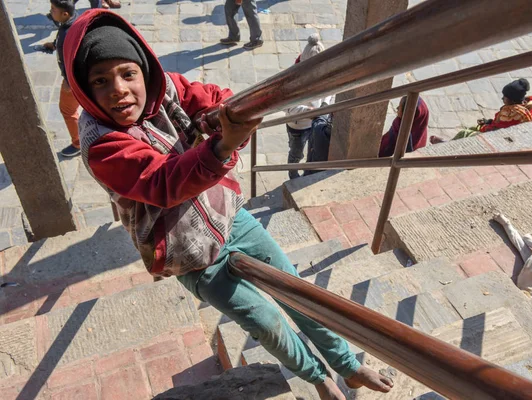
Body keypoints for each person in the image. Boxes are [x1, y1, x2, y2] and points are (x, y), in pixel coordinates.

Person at [64, 10, 393, 399]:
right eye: (100, 81)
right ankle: (316, 375)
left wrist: (220, 116)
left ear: (144, 71)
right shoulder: (101, 143)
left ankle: (348, 365)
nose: (118, 89)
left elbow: (215, 98)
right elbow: (163, 183)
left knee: (298, 291)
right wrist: (221, 144)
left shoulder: (164, 87)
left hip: (229, 217)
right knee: (265, 321)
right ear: (84, 90)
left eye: (127, 74)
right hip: (188, 254)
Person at [430, 78, 532, 144]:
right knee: (473, 128)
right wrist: (488, 122)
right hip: (499, 129)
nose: (503, 99)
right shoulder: (527, 105)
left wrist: (485, 126)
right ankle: (452, 141)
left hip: (501, 139)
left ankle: (448, 144)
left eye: (504, 97)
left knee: (465, 133)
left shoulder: (514, 113)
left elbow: (498, 129)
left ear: (512, 99)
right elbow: (502, 123)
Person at [285, 34, 332, 179]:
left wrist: (325, 104)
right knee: (296, 152)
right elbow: (287, 107)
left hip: (316, 122)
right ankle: (293, 174)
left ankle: (307, 173)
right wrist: (309, 111)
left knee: (314, 149)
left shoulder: (324, 74)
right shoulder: (291, 79)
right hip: (298, 126)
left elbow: (330, 91)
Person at [41, 0, 82, 157]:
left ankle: (78, 143)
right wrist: (54, 44)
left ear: (65, 14)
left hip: (73, 80)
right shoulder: (73, 21)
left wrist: (68, 80)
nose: (51, 12)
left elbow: (72, 60)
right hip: (77, 78)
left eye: (53, 10)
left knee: (67, 110)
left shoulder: (66, 33)